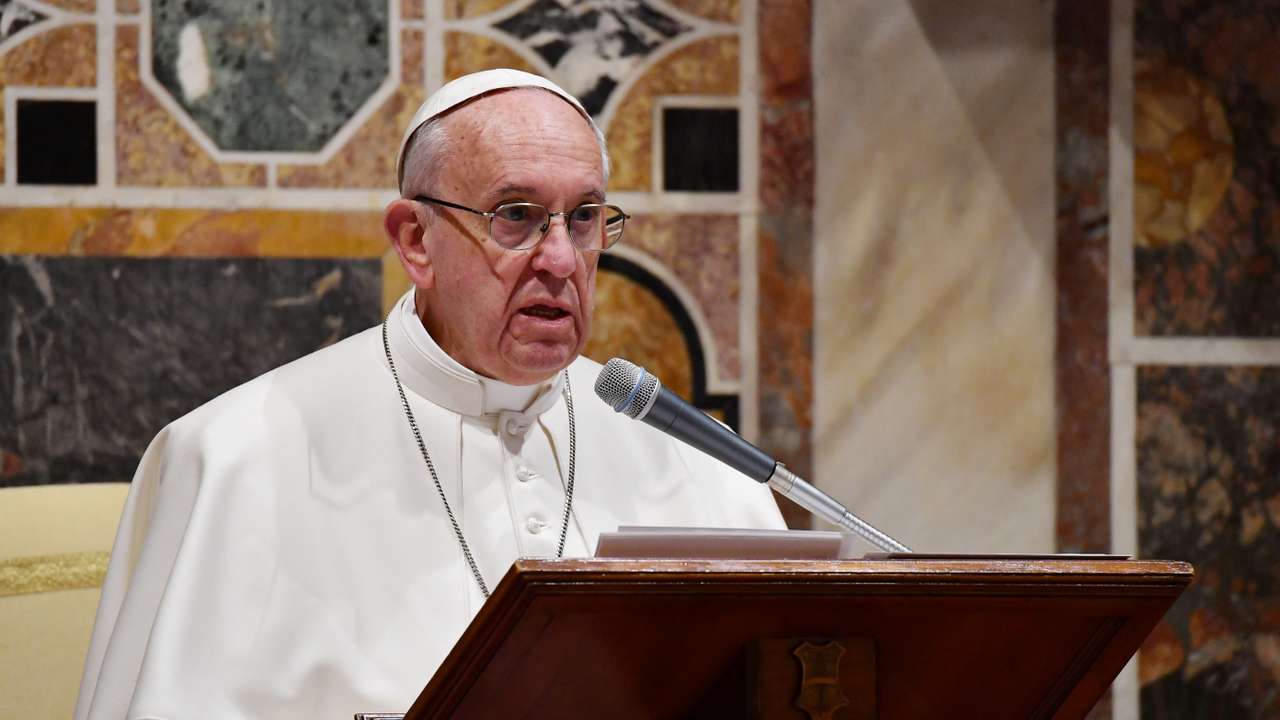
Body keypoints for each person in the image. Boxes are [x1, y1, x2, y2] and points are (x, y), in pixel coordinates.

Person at [74, 69, 784, 719]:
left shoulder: (691, 458)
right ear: (415, 239)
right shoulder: (232, 457)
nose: (562, 259)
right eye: (516, 215)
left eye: (586, 217)